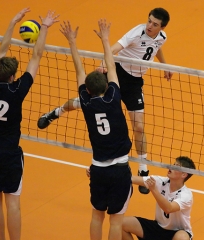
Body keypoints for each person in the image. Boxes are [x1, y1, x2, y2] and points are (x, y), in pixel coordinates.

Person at [37, 8, 172, 194]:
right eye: (149, 21)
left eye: (155, 24)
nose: (150, 26)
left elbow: (156, 47)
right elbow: (115, 48)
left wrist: (165, 65)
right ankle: (56, 113)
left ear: (162, 27)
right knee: (81, 103)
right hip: (116, 74)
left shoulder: (161, 36)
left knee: (139, 127)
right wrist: (103, 64)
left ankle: (143, 169)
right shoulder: (136, 32)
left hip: (134, 84)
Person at [0, 8, 59, 240]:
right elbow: (36, 56)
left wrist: (12, 22)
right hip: (9, 156)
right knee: (12, 202)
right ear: (14, 76)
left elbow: (1, 50)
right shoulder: (17, 90)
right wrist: (44, 27)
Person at [60, 19, 132, 240]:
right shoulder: (114, 97)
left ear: (88, 91)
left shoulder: (86, 102)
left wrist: (72, 41)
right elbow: (111, 67)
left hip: (98, 168)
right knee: (116, 220)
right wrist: (106, 39)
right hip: (119, 168)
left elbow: (79, 70)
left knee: (96, 216)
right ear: (106, 86)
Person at [122, 156, 196, 240]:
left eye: (176, 166)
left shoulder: (186, 195)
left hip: (176, 232)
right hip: (157, 228)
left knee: (182, 237)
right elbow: (133, 179)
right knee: (121, 224)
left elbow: (168, 208)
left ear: (184, 174)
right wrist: (114, 174)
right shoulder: (161, 181)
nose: (171, 167)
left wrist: (153, 189)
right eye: (173, 164)